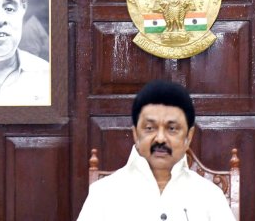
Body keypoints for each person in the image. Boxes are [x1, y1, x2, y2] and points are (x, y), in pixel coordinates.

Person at [77, 80, 236, 221]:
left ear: (189, 136)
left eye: (172, 128)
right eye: (149, 128)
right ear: (135, 134)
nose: (160, 138)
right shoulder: (104, 194)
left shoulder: (210, 196)